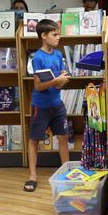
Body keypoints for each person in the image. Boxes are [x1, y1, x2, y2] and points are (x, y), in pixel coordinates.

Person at [24, 19, 70, 192]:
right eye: (55, 34)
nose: (59, 37)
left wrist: (61, 79)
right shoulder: (37, 58)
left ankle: (66, 172)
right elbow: (38, 86)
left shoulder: (58, 55)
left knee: (63, 137)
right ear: (44, 36)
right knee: (34, 140)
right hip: (41, 106)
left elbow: (57, 78)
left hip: (57, 104)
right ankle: (32, 176)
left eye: (58, 33)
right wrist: (56, 81)